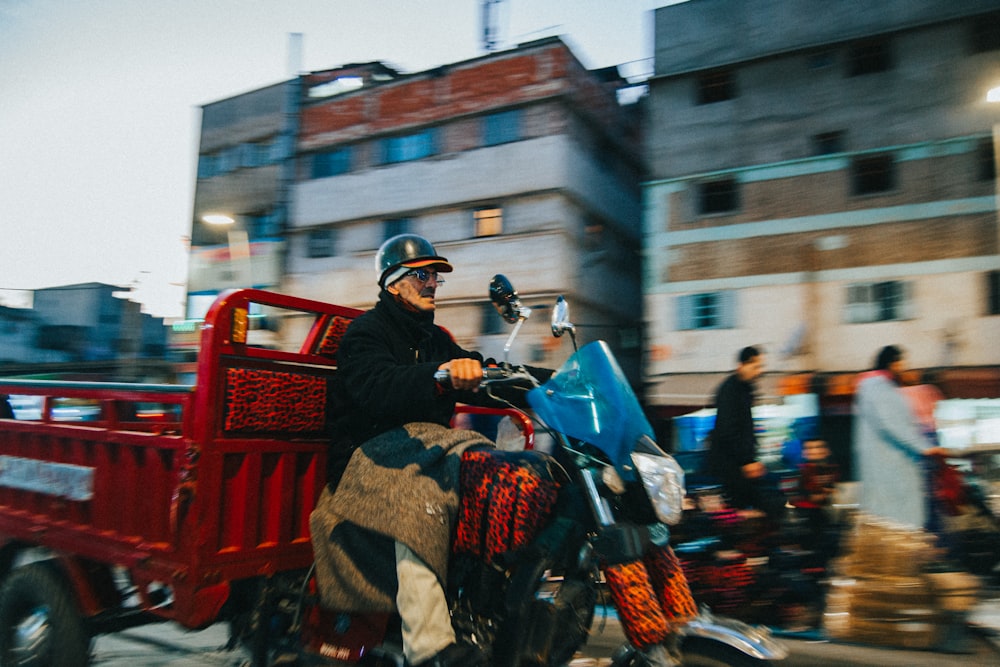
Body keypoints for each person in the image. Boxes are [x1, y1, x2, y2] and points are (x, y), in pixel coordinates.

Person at [310, 234, 499, 667]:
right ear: (394, 283)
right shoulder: (364, 335)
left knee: (494, 470)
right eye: (422, 275)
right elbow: (378, 389)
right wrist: (441, 375)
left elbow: (478, 372)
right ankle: (428, 646)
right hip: (366, 459)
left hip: (420, 453)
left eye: (434, 276)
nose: (432, 283)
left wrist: (546, 382)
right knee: (419, 501)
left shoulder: (436, 339)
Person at [853, 345, 949, 530]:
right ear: (893, 363)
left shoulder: (873, 387)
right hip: (892, 469)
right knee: (898, 524)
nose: (904, 368)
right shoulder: (880, 389)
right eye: (902, 363)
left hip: (890, 467)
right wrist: (925, 447)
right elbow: (894, 424)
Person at [706, 345, 783, 518]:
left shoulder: (743, 389)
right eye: (756, 367)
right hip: (731, 466)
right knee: (759, 508)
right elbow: (728, 429)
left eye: (760, 366)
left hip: (736, 464)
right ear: (741, 365)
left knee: (758, 507)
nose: (759, 372)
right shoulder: (731, 390)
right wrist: (746, 461)